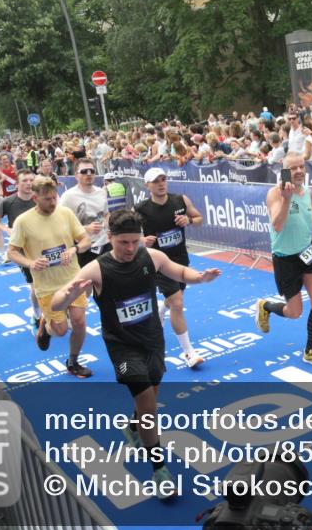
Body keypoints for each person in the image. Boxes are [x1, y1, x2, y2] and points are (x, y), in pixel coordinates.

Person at [51, 209, 221, 496]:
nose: (130, 248)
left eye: (135, 241)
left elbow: (179, 272)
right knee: (147, 403)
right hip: (122, 347)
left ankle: (132, 426)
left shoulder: (151, 257)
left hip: (152, 340)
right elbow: (57, 302)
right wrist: (67, 296)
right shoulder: (96, 269)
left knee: (151, 394)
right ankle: (159, 470)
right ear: (110, 238)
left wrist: (200, 278)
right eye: (123, 243)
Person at [254, 153, 312, 368]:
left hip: (307, 252)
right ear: (284, 171)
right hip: (285, 259)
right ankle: (266, 306)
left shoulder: (308, 192)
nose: (299, 171)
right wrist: (287, 199)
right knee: (294, 313)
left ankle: (310, 350)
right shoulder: (275, 194)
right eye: (293, 168)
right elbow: (277, 225)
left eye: (301, 166)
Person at [7, 176, 93, 378]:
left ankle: (73, 361)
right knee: (60, 330)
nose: (53, 202)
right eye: (47, 199)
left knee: (79, 322)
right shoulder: (23, 221)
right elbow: (12, 252)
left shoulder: (65, 213)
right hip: (46, 286)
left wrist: (74, 249)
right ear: (35, 198)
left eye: (54, 197)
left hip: (73, 279)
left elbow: (86, 240)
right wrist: (30, 263)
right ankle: (46, 328)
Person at [134, 167, 206, 368]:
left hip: (180, 258)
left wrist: (189, 220)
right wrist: (141, 240)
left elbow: (199, 219)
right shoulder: (140, 209)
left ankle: (161, 308)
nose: (161, 183)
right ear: (147, 185)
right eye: (156, 181)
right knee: (177, 303)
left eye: (163, 179)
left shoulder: (180, 200)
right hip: (158, 262)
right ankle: (189, 352)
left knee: (175, 298)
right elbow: (129, 234)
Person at [0, 170, 41, 324]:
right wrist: (7, 230)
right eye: (25, 180)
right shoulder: (8, 202)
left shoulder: (40, 199)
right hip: (22, 251)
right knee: (35, 287)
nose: (29, 183)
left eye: (31, 180)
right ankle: (37, 315)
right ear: (17, 184)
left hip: (44, 246)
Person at [60, 158, 111, 268]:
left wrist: (106, 225)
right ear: (76, 175)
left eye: (91, 171)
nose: (88, 174)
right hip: (83, 247)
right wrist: (86, 228)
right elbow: (60, 225)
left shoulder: (101, 192)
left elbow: (106, 214)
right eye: (84, 171)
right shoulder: (68, 196)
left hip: (104, 244)